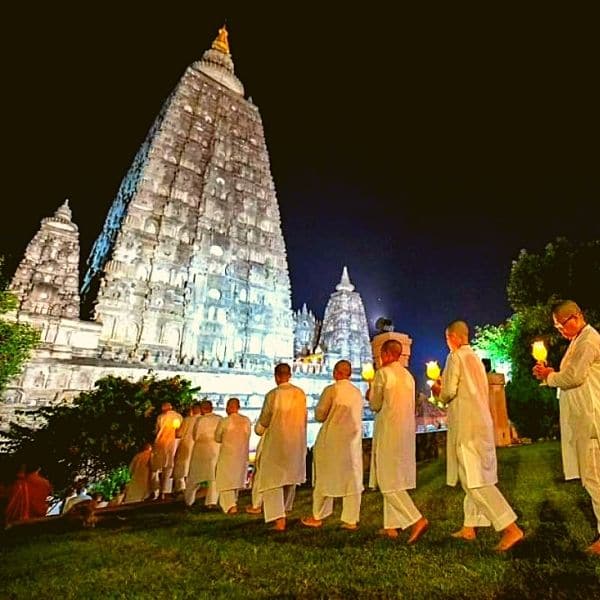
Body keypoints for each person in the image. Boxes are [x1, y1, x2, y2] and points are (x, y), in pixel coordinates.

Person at [432, 320, 524, 552]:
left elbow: (449, 391)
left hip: (467, 426)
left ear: (452, 337)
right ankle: (469, 526)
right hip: (481, 423)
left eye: (447, 338)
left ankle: (510, 528)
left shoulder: (455, 357)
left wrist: (438, 392)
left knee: (475, 481)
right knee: (474, 475)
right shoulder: (474, 358)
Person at [532, 300, 600, 555]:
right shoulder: (577, 341)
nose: (560, 329)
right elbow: (571, 373)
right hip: (583, 418)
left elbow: (574, 377)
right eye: (556, 326)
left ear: (577, 316)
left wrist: (549, 378)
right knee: (592, 476)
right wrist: (551, 372)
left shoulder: (588, 340)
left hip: (591, 418)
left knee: (594, 477)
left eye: (562, 323)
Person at [367, 339, 429, 542]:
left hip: (388, 431)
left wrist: (370, 394)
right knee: (395, 477)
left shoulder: (382, 374)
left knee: (387, 481)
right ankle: (391, 526)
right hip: (406, 431)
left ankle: (416, 519)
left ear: (384, 354)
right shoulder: (408, 376)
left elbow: (375, 405)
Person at [301, 360, 364, 530]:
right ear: (349, 373)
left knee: (323, 476)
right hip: (352, 440)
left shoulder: (331, 390)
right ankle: (351, 519)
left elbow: (320, 414)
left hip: (331, 439)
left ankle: (318, 515)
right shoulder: (357, 393)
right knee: (352, 478)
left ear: (336, 372)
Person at [254, 362, 307, 531]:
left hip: (277, 441)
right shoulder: (300, 394)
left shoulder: (273, 395)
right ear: (289, 375)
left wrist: (259, 429)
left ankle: (279, 519)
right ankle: (285, 510)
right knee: (290, 477)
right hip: (296, 441)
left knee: (272, 480)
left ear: (276, 376)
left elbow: (265, 419)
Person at [214, 398, 252, 514]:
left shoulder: (225, 421)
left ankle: (230, 506)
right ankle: (233, 501)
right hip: (241, 453)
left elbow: (217, 437)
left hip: (228, 453)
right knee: (235, 478)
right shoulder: (246, 420)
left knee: (225, 479)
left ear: (229, 407)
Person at [185, 400, 223, 508]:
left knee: (194, 477)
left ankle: (189, 500)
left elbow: (195, 436)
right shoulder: (219, 419)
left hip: (201, 451)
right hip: (215, 450)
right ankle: (211, 502)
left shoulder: (200, 420)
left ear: (202, 409)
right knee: (213, 477)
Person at [150, 402, 183, 499]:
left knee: (156, 468)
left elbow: (157, 429)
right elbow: (179, 432)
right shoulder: (178, 417)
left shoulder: (161, 417)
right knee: (169, 467)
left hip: (160, 443)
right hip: (173, 444)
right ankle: (165, 491)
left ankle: (156, 490)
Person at [172, 403, 203, 494]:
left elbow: (179, 434)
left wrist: (176, 429)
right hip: (198, 447)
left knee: (182, 467)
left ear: (192, 410)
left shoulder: (187, 420)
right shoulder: (203, 420)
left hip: (186, 445)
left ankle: (181, 488)